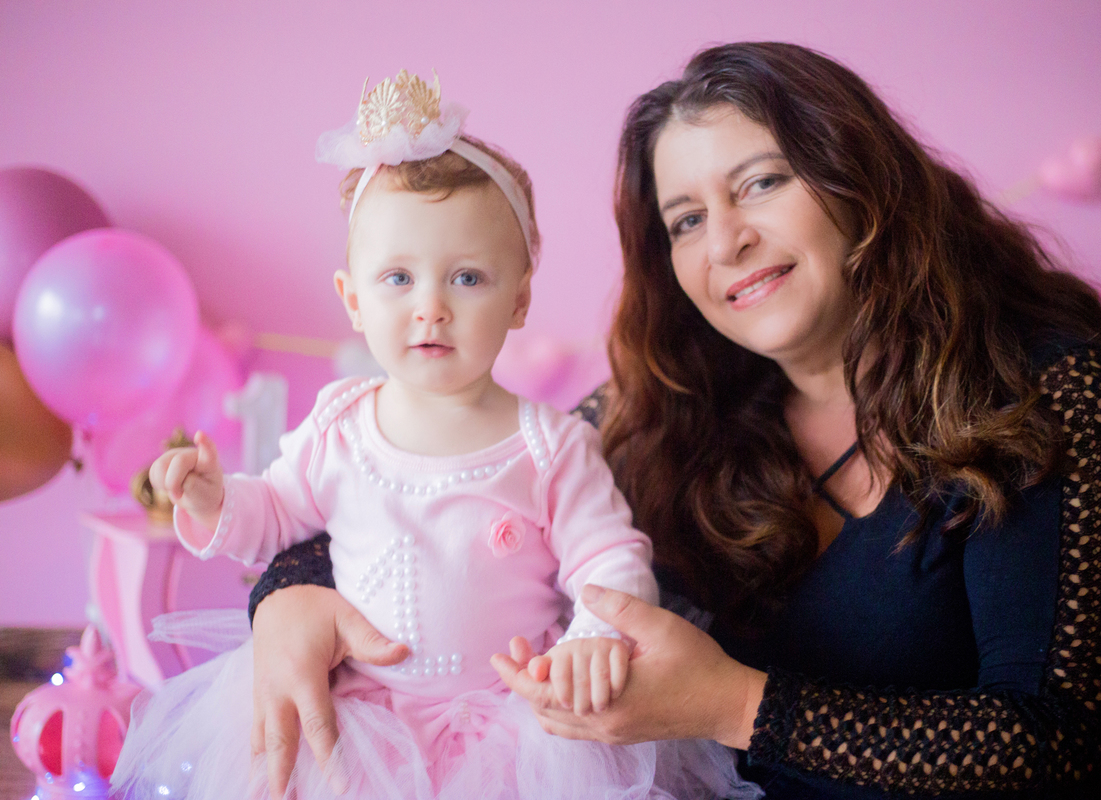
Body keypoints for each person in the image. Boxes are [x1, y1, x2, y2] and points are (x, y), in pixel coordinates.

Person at [246, 43, 1101, 799]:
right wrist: (284, 600)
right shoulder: (668, 404)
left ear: (859, 183)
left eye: (760, 183)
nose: (728, 240)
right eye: (686, 219)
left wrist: (735, 705)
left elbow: (1058, 752)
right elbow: (438, 471)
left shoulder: (1049, 389)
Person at [109, 71, 760, 800]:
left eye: (468, 279)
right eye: (397, 279)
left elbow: (609, 556)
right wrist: (213, 497)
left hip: (514, 726)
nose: (431, 308)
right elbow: (275, 520)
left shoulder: (548, 444)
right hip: (365, 719)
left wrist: (591, 641)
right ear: (352, 299)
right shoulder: (339, 425)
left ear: (519, 301)